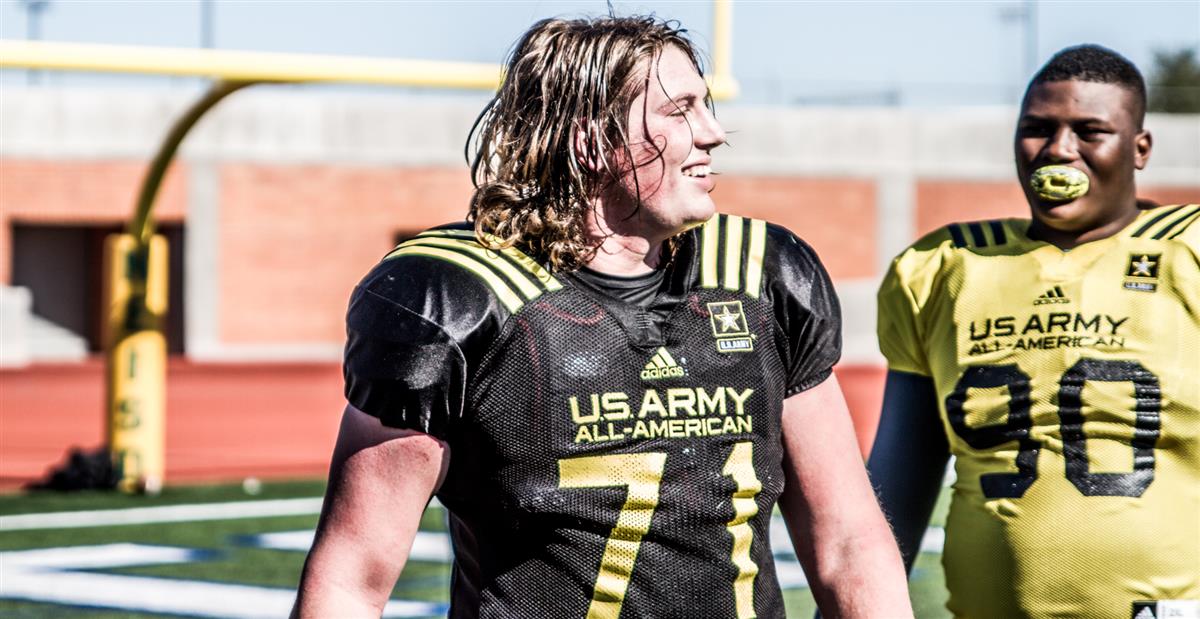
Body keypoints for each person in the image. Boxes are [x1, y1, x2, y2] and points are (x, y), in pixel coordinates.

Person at [293, 15, 912, 619]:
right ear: (591, 141)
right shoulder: (459, 299)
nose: (713, 134)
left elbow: (847, 541)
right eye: (680, 111)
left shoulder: (761, 275)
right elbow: (353, 579)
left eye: (705, 107)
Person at [871, 43, 1199, 619]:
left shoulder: (1188, 252)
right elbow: (900, 477)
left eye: (1089, 131)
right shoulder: (943, 266)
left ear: (1139, 148)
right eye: (1038, 129)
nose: (1058, 151)